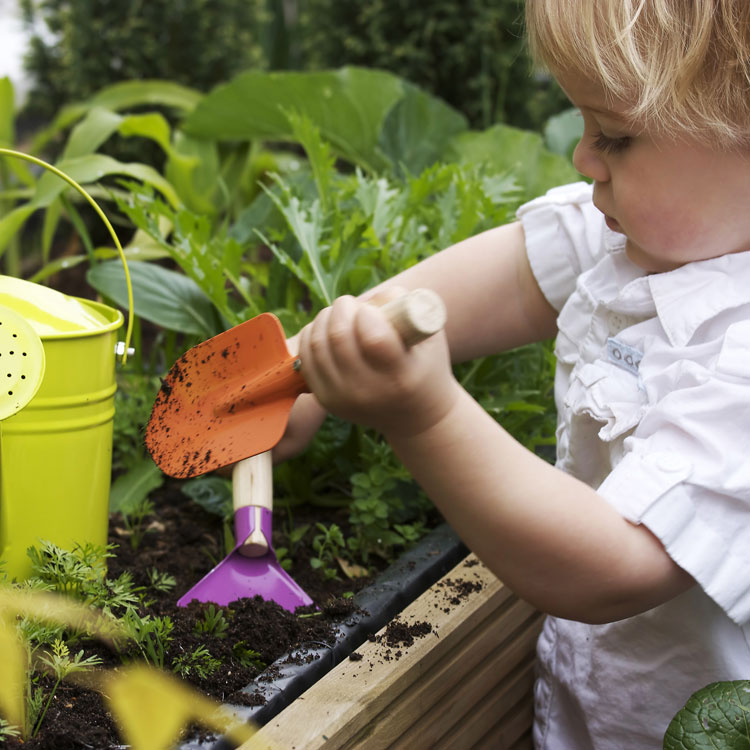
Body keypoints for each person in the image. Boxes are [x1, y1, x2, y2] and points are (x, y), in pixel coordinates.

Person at [273, 1, 750, 747]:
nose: (583, 159)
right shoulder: (631, 233)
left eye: (617, 136)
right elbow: (506, 280)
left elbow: (612, 567)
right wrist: (301, 368)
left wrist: (422, 414)